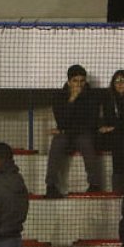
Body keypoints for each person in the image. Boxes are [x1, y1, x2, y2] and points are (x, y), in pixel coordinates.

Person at [45, 64, 102, 198]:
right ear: (69, 82)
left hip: (81, 134)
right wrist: (71, 100)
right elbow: (61, 121)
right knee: (57, 142)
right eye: (75, 81)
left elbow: (91, 123)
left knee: (86, 141)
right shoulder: (59, 96)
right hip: (66, 135)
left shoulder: (92, 97)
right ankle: (51, 186)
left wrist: (66, 130)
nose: (79, 84)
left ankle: (94, 185)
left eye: (82, 81)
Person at [98, 70, 124, 193]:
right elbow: (109, 120)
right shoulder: (108, 99)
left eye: (123, 81)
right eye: (116, 81)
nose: (120, 84)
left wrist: (116, 127)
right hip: (116, 137)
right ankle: (118, 190)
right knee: (118, 138)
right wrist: (123, 126)